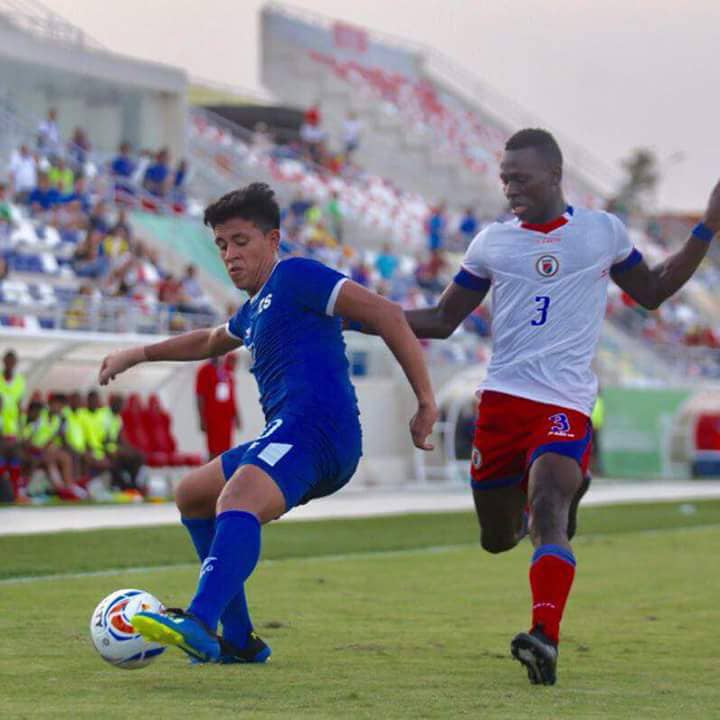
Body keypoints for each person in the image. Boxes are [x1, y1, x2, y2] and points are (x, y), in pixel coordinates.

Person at [347, 128, 720, 686]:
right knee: (498, 538)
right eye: (504, 179)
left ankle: (544, 637)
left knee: (548, 509)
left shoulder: (601, 232)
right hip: (501, 404)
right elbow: (443, 320)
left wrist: (707, 227)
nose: (510, 188)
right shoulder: (492, 243)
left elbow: (653, 290)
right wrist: (354, 314)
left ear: (553, 174)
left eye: (519, 178)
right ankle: (562, 495)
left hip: (564, 403)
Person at [97, 182, 437, 664]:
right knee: (192, 493)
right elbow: (212, 339)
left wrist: (425, 400)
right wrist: (137, 354)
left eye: (240, 241)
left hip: (320, 432)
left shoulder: (297, 277)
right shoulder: (255, 309)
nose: (229, 255)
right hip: (288, 432)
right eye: (220, 245)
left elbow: (386, 314)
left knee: (236, 497)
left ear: (272, 240)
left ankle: (199, 620)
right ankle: (238, 640)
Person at [195, 354, 241, 459]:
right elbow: (199, 396)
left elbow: (232, 396)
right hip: (212, 417)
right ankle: (212, 474)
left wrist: (236, 415)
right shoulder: (204, 370)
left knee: (226, 449)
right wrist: (201, 418)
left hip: (226, 418)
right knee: (213, 450)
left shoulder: (226, 372)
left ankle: (223, 474)